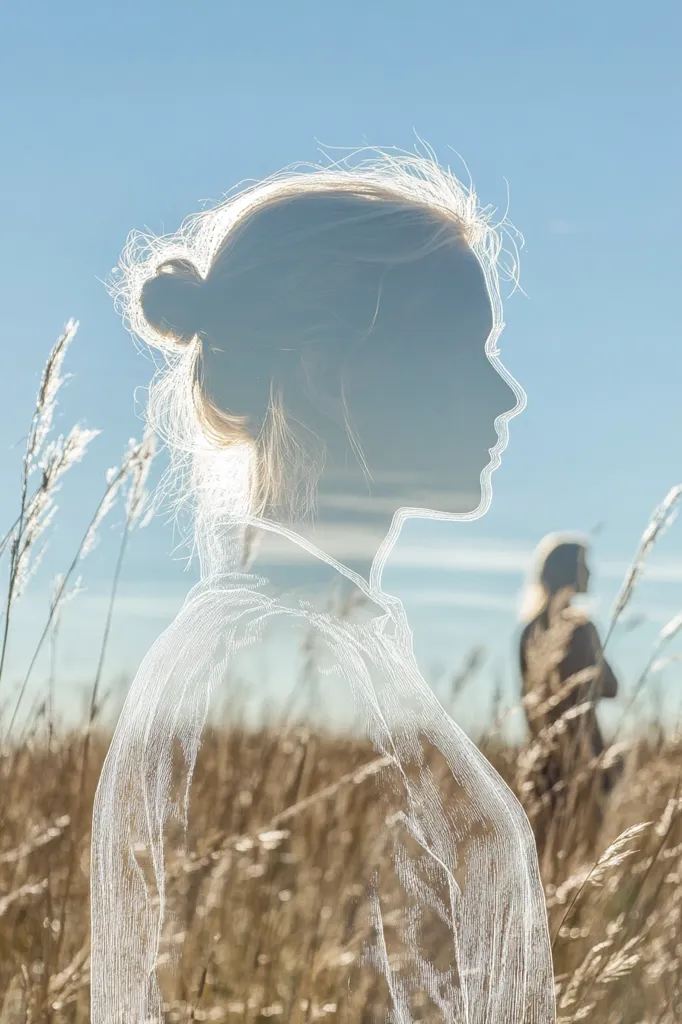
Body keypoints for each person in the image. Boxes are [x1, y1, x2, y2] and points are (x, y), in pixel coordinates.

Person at [91, 149, 556, 1023]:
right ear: (322, 372)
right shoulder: (277, 662)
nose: (505, 396)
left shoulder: (318, 642)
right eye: (458, 351)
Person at [518, 534, 621, 859]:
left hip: (543, 763)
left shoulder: (529, 631)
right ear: (569, 572)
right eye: (584, 566)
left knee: (548, 861)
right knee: (586, 861)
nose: (590, 573)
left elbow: (530, 702)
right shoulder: (580, 627)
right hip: (584, 761)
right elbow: (611, 686)